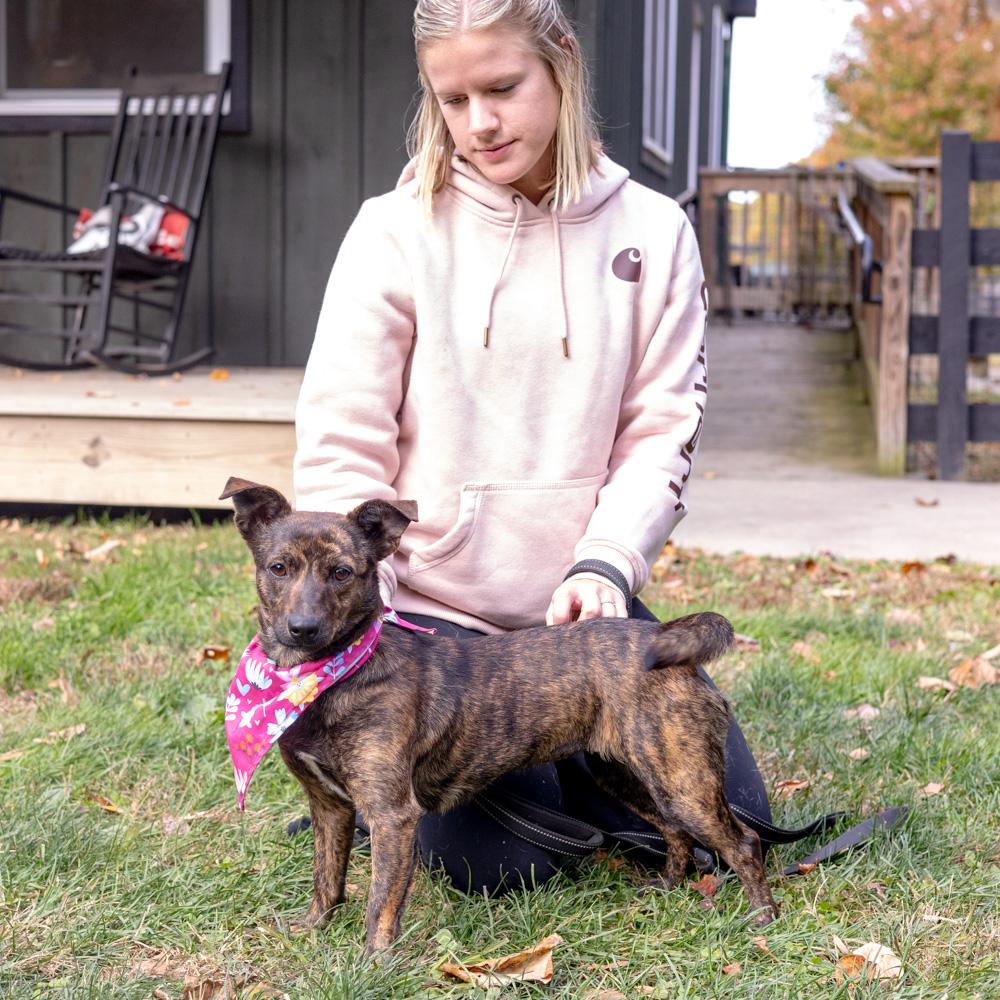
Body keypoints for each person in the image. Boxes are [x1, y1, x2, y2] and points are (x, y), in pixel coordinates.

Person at [293, 0, 771, 893]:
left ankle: (549, 769)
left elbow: (660, 429)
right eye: (453, 99)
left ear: (561, 63)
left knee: (725, 811)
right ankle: (393, 781)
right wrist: (373, 595)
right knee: (505, 866)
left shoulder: (655, 233)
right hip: (431, 621)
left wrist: (606, 564)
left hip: (577, 615)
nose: (479, 122)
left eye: (502, 87)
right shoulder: (392, 231)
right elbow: (341, 442)